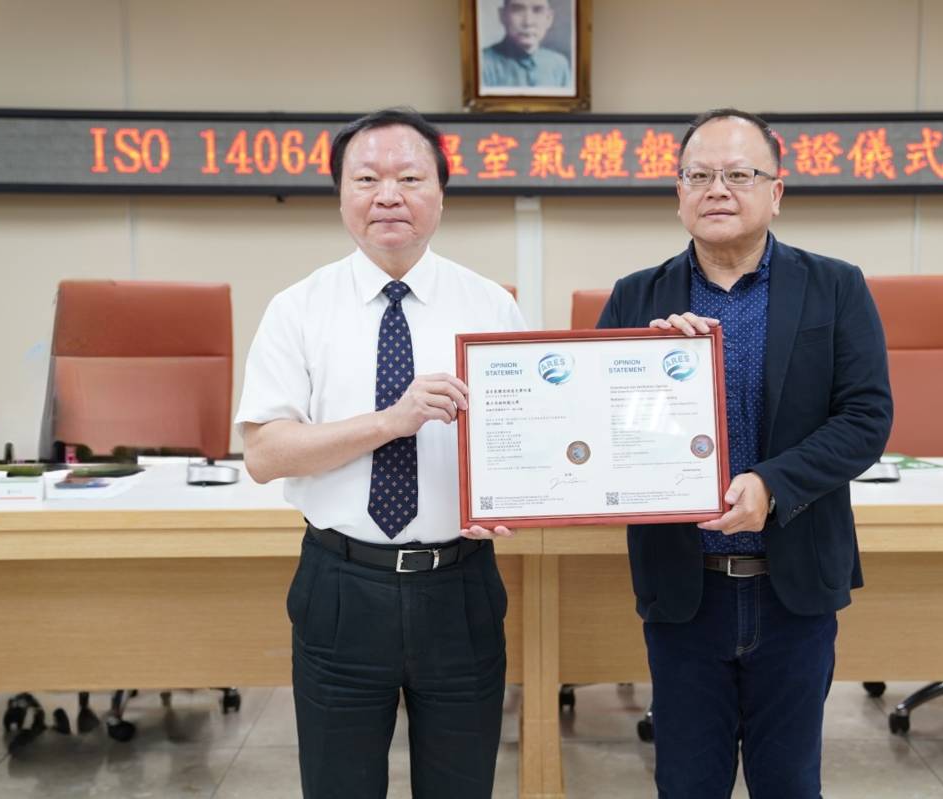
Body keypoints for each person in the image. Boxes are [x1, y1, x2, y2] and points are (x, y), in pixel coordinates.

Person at [596, 108, 893, 798]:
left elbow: (867, 416)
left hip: (793, 586)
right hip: (683, 588)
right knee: (686, 782)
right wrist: (646, 366)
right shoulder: (637, 298)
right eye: (699, 175)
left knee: (788, 782)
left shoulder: (835, 286)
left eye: (738, 174)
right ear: (679, 194)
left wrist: (771, 484)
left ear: (776, 191)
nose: (717, 189)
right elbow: (603, 435)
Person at [236, 107, 524, 799]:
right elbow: (266, 454)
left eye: (408, 177)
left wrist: (514, 495)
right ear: (341, 196)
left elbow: (521, 442)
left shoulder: (491, 306)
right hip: (343, 585)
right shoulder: (297, 308)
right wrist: (390, 421)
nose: (387, 195)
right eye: (366, 178)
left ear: (441, 194)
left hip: (461, 584)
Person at [481, 0, 571, 89]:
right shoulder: (481, 64)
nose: (528, 22)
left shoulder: (558, 64)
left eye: (537, 10)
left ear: (549, 18)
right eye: (517, 10)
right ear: (502, 16)